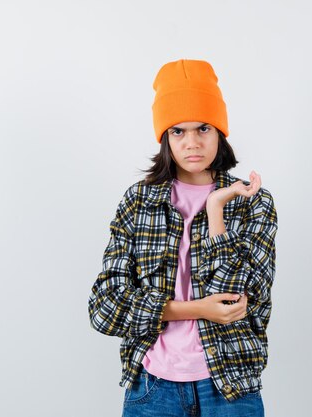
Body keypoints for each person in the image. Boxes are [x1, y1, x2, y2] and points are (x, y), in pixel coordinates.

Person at [87, 58, 278, 417]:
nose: (192, 143)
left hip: (230, 385)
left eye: (203, 128)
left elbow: (236, 301)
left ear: (219, 132)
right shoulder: (139, 200)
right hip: (153, 387)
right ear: (165, 138)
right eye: (178, 131)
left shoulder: (253, 202)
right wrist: (194, 309)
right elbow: (104, 309)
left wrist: (216, 209)